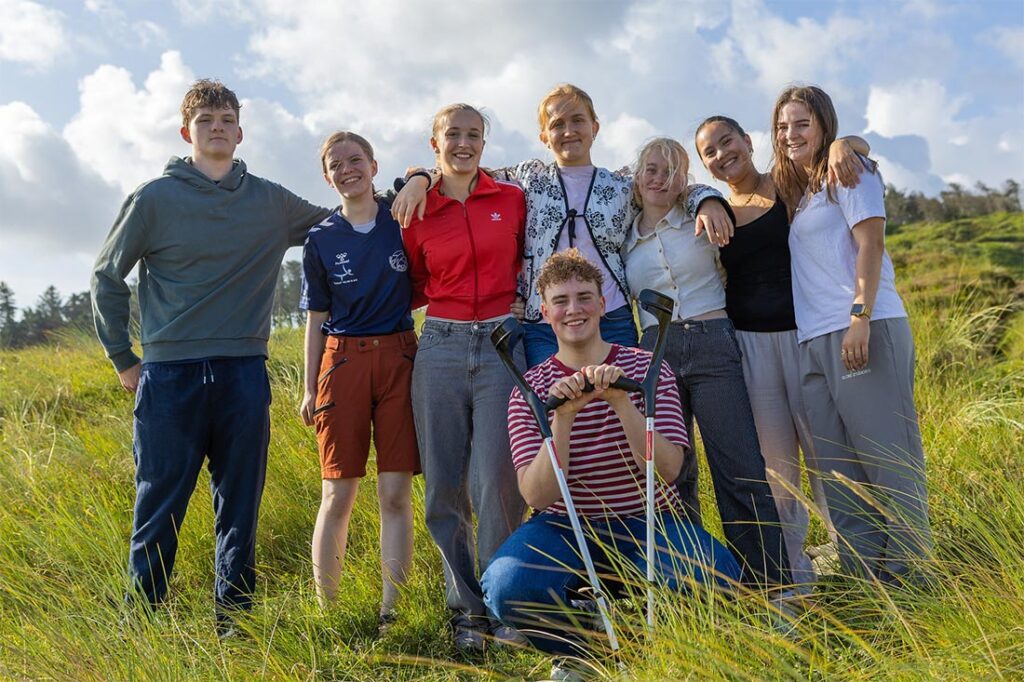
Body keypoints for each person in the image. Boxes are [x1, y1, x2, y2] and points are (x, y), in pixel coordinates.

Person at [91, 79, 332, 634]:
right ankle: (143, 624)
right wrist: (123, 357)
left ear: (241, 132)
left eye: (226, 118)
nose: (217, 126)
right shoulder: (153, 198)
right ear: (187, 132)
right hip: (168, 377)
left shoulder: (270, 201)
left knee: (239, 506)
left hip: (243, 373)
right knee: (159, 506)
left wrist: (417, 183)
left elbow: (347, 220)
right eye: (206, 120)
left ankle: (235, 625)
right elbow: (106, 276)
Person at [481, 249, 740, 663]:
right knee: (506, 584)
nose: (574, 310)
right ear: (544, 312)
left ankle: (646, 630)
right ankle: (588, 652)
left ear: (603, 305)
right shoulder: (529, 388)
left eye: (584, 297)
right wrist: (561, 419)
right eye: (561, 301)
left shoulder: (647, 368)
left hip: (649, 519)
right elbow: (537, 496)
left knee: (717, 575)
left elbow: (668, 470)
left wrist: (622, 402)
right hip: (564, 525)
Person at [392, 83, 735, 367]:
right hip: (543, 323)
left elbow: (670, 186)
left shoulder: (619, 187)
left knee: (619, 419)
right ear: (544, 136)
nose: (568, 131)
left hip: (611, 318)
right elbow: (462, 174)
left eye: (578, 121)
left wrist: (706, 198)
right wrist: (421, 177)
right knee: (555, 423)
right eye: (557, 125)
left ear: (595, 128)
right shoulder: (526, 179)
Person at [694, 116, 870, 585]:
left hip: (804, 337)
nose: (721, 154)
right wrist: (706, 200)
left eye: (726, 141)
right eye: (709, 152)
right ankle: (792, 581)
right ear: (706, 167)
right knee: (780, 475)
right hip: (750, 349)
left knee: (828, 460)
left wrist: (843, 145)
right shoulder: (714, 211)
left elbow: (848, 150)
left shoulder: (785, 184)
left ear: (748, 142)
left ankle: (857, 570)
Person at [771, 84, 933, 582]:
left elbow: (872, 244)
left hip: (862, 326)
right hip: (814, 341)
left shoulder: (849, 172)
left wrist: (859, 315)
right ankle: (867, 583)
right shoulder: (800, 193)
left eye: (802, 123)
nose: (791, 134)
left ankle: (914, 580)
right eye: (782, 126)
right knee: (840, 475)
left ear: (823, 125)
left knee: (889, 460)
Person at [621, 137, 789, 589]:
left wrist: (707, 199)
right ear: (638, 176)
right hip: (655, 351)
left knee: (739, 467)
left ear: (685, 183)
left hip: (713, 341)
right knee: (674, 477)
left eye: (672, 172)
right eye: (652, 169)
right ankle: (695, 586)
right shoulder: (623, 237)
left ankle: (770, 587)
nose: (660, 178)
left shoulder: (703, 218)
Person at [401, 103, 529, 652]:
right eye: (452, 134)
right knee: (445, 484)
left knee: (498, 482)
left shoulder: (511, 197)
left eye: (474, 135)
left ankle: (506, 608)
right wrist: (416, 180)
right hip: (442, 344)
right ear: (434, 143)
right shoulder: (414, 209)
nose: (463, 143)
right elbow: (410, 282)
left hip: (504, 343)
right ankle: (466, 611)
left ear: (484, 142)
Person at [298, 131, 418, 631]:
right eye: (336, 164)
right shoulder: (321, 239)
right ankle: (330, 611)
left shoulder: (402, 218)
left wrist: (419, 176)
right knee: (337, 494)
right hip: (342, 362)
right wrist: (310, 386)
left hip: (398, 357)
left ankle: (394, 609)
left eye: (356, 159)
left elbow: (428, 178)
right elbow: (316, 317)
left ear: (373, 165)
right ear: (327, 177)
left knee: (395, 493)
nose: (347, 169)